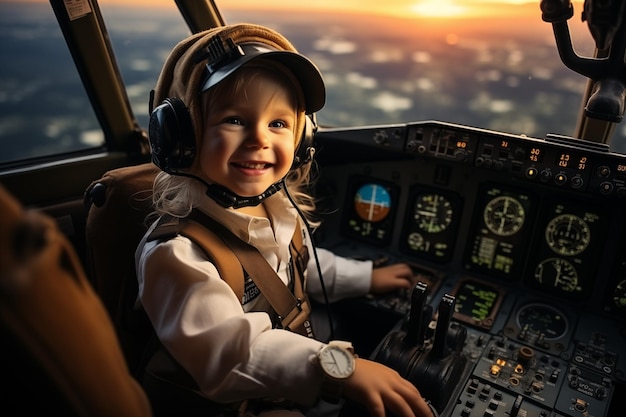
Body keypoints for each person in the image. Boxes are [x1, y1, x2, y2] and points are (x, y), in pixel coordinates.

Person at [135, 23, 433, 417]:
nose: (260, 138)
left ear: (302, 140)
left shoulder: (277, 208)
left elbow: (303, 268)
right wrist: (340, 370)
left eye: (278, 123)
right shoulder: (177, 255)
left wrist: (367, 278)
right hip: (237, 400)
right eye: (235, 120)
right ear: (181, 135)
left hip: (292, 370)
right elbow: (232, 352)